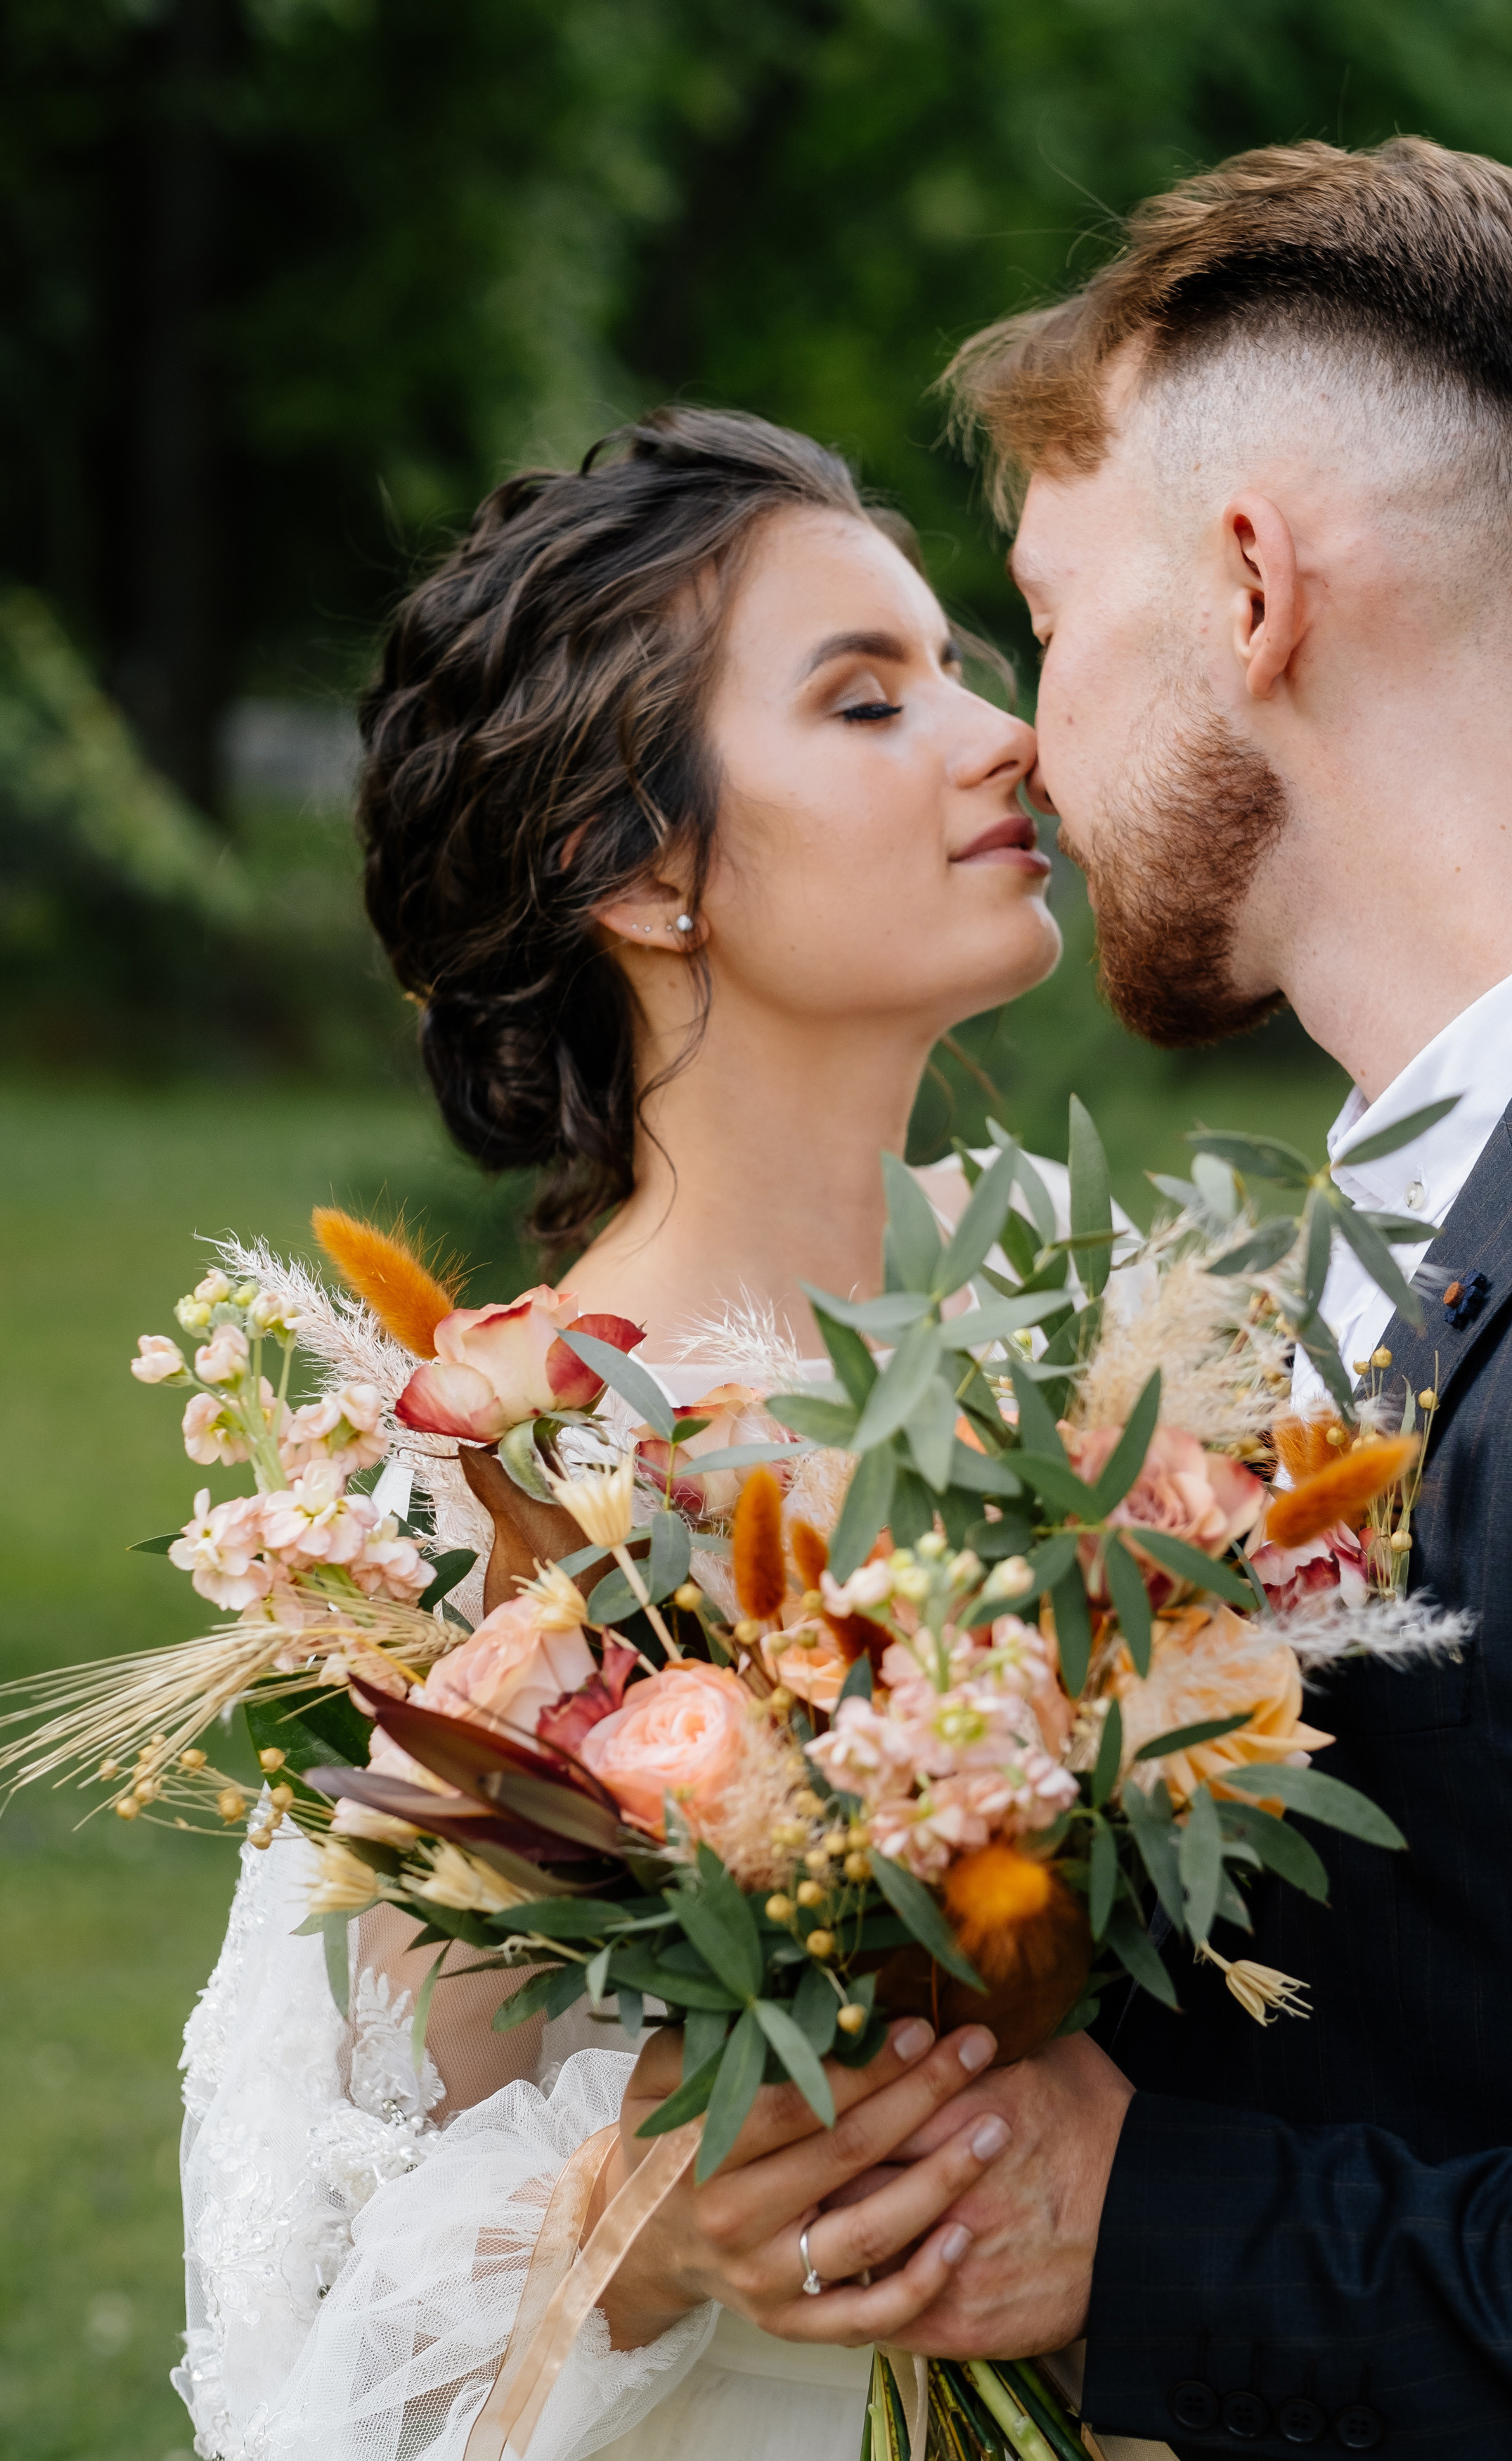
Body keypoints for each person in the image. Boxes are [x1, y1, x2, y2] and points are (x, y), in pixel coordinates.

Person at [787, 136, 1512, 2459]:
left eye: (1051, 623)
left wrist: (1146, 2230)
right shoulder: (1397, 1232)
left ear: (1253, 584)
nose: (1028, 745)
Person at [174, 406, 1097, 2461]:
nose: (1002, 735)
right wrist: (648, 2234)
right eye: (871, 701)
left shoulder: (1114, 1346)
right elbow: (305, 2370)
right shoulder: (481, 1488)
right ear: (636, 866)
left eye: (961, 666)